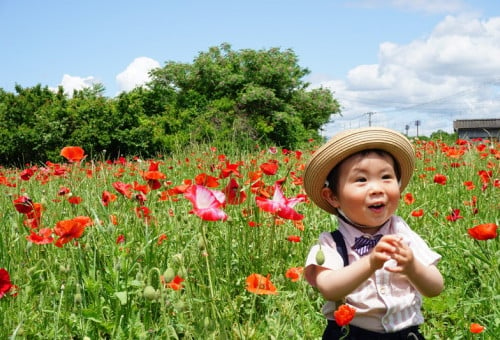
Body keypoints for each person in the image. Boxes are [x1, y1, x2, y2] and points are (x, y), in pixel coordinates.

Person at [303, 127, 444, 339]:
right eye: (361, 180)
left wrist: (412, 266)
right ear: (332, 196)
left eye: (386, 177)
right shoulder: (330, 243)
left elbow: (435, 287)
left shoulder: (403, 235)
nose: (377, 188)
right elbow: (329, 288)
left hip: (406, 334)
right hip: (350, 333)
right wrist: (370, 263)